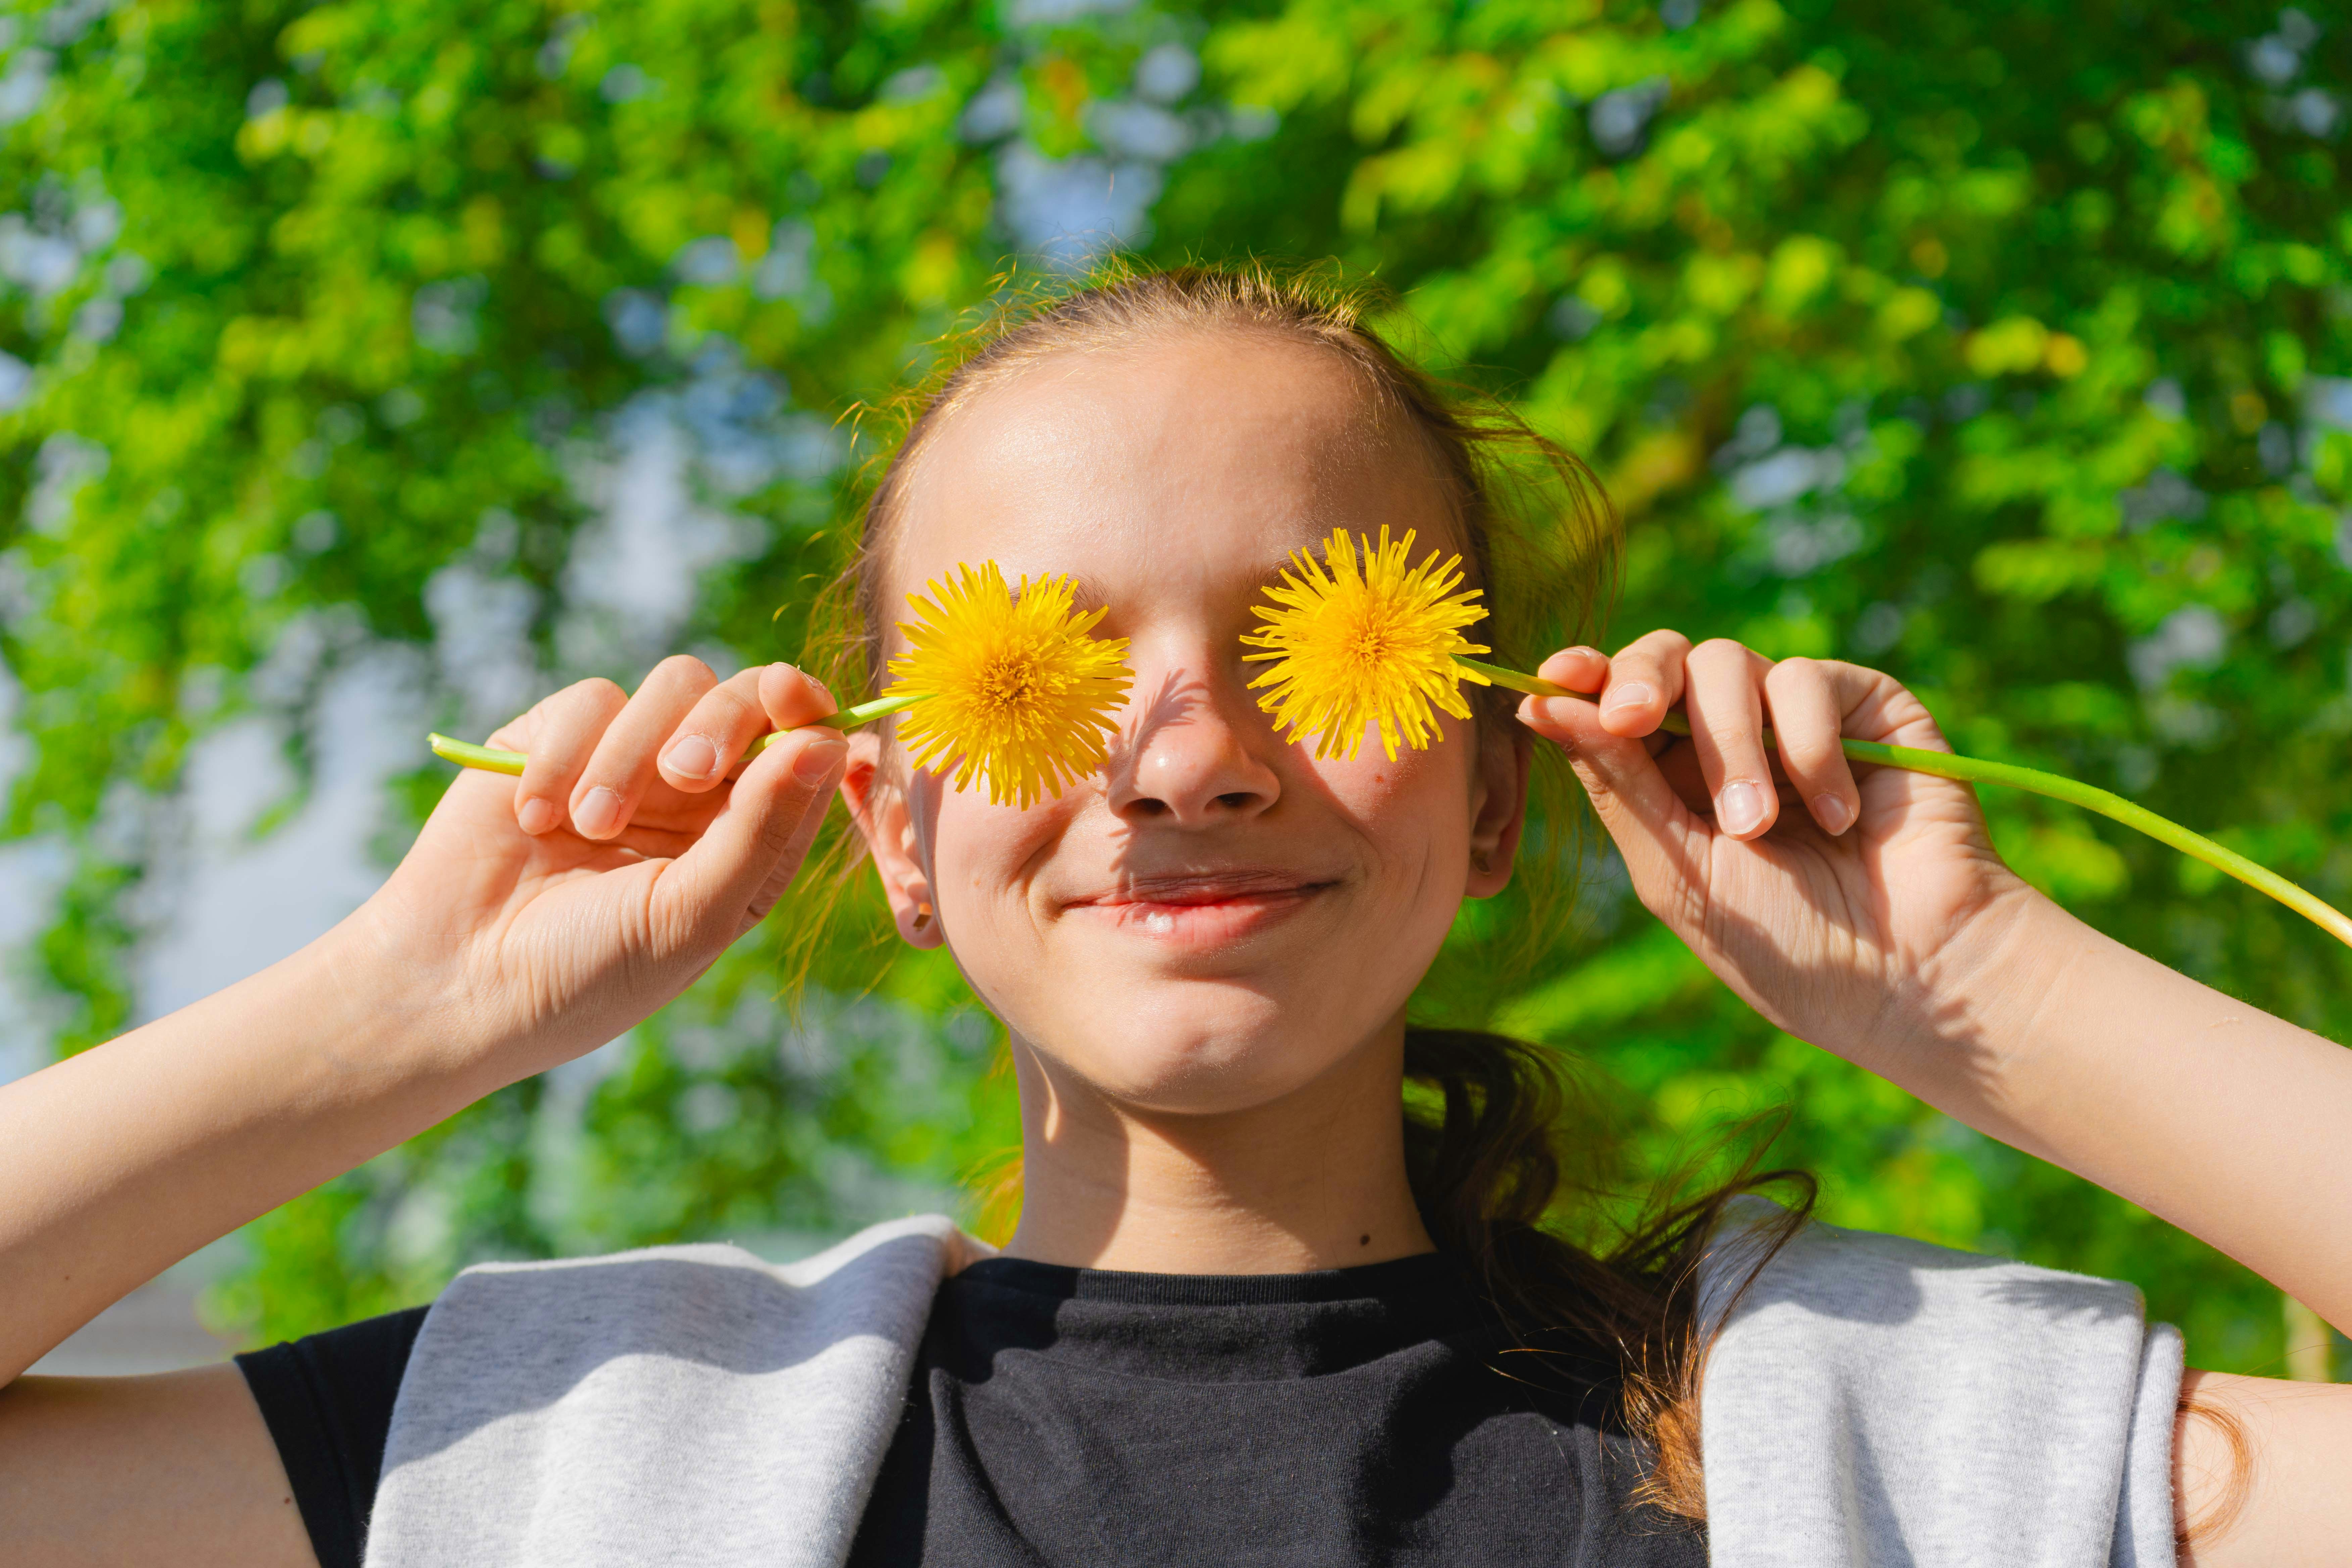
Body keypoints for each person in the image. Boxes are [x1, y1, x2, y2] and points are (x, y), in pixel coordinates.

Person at [2, 264, 2347, 1568]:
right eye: (1039, 655)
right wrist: (406, 1014)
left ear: (1501, 783)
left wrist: (1976, 987)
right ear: (894, 833)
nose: (1188, 748)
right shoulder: (556, 1449)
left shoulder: (1910, 1446)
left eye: (1308, 639)